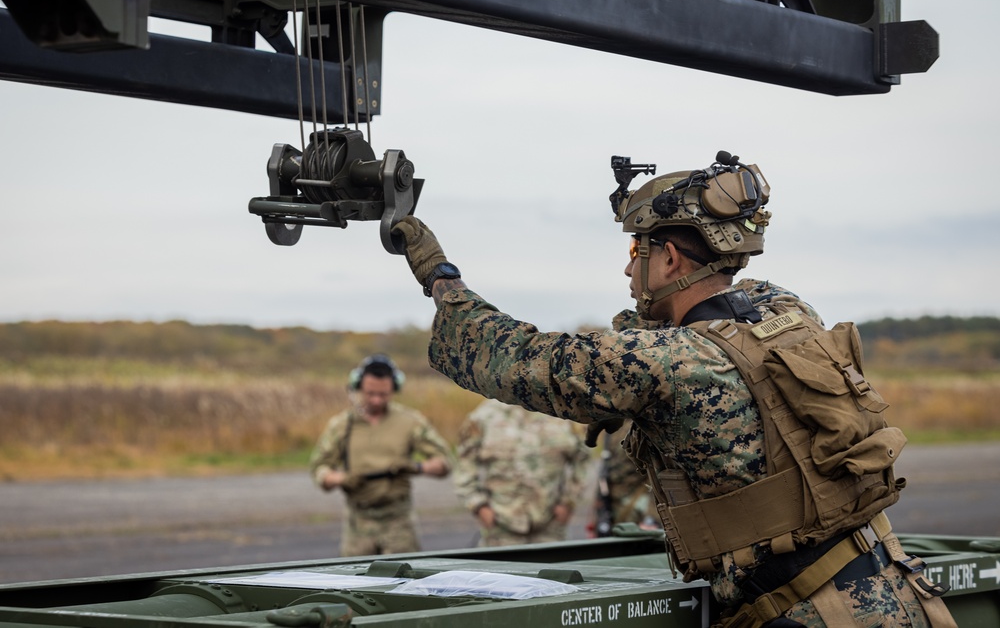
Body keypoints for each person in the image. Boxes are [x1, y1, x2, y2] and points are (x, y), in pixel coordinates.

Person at [390, 152, 956, 628]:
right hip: (890, 586)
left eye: (638, 250)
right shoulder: (783, 307)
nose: (629, 269)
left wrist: (438, 273)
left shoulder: (664, 363)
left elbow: (511, 357)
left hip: (809, 613)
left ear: (669, 257)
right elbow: (690, 337)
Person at [309, 354, 452, 556]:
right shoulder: (341, 425)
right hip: (358, 524)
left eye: (383, 394)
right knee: (355, 582)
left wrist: (417, 467)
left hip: (398, 523)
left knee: (405, 582)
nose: (376, 400)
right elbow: (319, 469)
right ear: (358, 387)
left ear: (394, 388)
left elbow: (444, 462)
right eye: (370, 393)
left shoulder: (410, 422)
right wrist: (342, 479)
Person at [454, 398, 590, 547]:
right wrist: (479, 506)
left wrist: (568, 502)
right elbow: (464, 465)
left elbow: (583, 458)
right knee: (499, 570)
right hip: (500, 530)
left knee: (552, 569)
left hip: (550, 529)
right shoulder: (484, 416)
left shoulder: (564, 413)